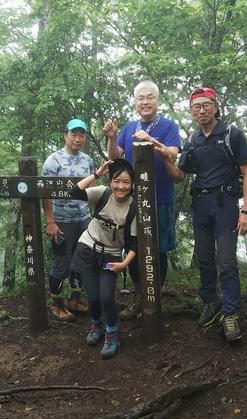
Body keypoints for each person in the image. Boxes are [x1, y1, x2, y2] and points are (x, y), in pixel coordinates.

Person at [153, 86, 247, 342]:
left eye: (206, 105)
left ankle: (230, 314)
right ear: (191, 111)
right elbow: (179, 176)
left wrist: (246, 210)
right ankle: (210, 302)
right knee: (206, 260)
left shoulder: (232, 134)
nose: (201, 110)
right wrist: (165, 156)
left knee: (227, 261)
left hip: (226, 205)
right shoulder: (193, 141)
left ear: (216, 106)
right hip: (201, 206)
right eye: (196, 107)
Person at [102, 80, 181, 319]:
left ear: (158, 100)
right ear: (135, 102)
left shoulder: (169, 126)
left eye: (150, 97)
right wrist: (113, 137)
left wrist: (151, 141)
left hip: (161, 198)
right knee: (133, 246)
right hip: (134, 200)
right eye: (140, 98)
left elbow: (173, 154)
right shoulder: (129, 126)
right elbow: (115, 158)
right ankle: (140, 296)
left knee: (160, 249)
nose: (145, 102)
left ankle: (154, 295)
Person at [69, 158, 137, 359]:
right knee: (92, 296)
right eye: (117, 181)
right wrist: (97, 173)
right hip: (87, 248)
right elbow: (75, 192)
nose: (121, 186)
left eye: (126, 182)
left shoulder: (134, 208)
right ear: (110, 183)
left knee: (106, 296)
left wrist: (124, 263)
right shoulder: (103, 193)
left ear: (132, 184)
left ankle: (111, 334)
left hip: (111, 254)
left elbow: (134, 244)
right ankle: (96, 324)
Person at [41, 118, 95, 321]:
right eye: (74, 134)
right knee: (61, 264)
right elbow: (44, 193)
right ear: (65, 135)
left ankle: (75, 299)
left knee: (80, 261)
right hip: (61, 220)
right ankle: (57, 304)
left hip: (83, 219)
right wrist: (50, 222)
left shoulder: (87, 160)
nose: (78, 139)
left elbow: (91, 189)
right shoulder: (53, 161)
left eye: (82, 135)